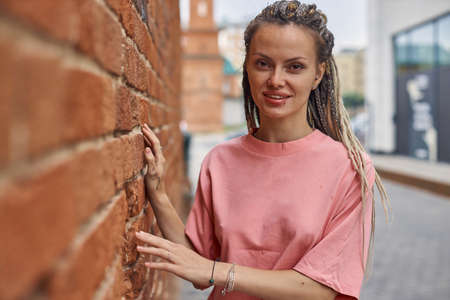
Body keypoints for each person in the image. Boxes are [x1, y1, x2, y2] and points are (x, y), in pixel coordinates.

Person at [136, 1, 390, 299]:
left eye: (294, 66)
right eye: (263, 63)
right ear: (247, 68)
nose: (276, 80)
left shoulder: (349, 167)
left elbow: (321, 287)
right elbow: (199, 266)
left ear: (318, 74)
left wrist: (217, 272)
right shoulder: (219, 162)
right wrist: (157, 192)